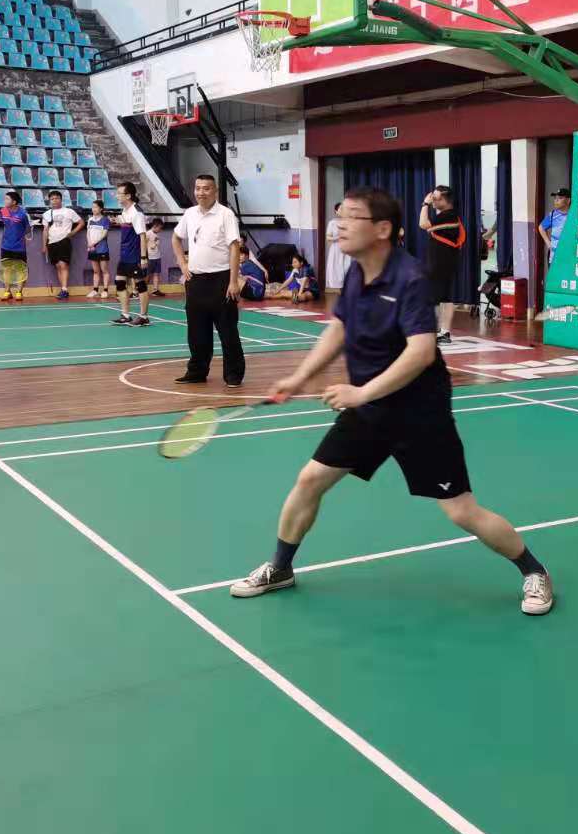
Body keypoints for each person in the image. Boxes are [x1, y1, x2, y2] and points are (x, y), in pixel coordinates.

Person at [227, 185, 554, 616]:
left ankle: (534, 571)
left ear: (382, 229)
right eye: (340, 215)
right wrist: (301, 376)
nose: (340, 224)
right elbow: (340, 327)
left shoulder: (410, 279)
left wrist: (359, 392)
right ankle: (280, 567)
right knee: (310, 480)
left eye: (352, 216)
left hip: (419, 412)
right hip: (370, 407)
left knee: (461, 511)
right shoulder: (357, 271)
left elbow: (421, 353)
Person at [171, 174, 245, 387]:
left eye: (206, 188)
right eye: (198, 188)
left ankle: (234, 374)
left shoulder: (226, 214)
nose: (201, 192)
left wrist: (233, 281)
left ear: (215, 191)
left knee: (228, 331)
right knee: (196, 331)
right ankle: (197, 371)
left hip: (221, 280)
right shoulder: (190, 213)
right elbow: (176, 238)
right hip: (195, 281)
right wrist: (183, 264)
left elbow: (234, 247)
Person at [419, 184, 465, 345]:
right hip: (439, 261)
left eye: (436, 198)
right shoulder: (445, 216)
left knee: (443, 296)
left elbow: (423, 223)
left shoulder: (448, 215)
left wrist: (425, 204)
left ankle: (444, 331)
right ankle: (440, 330)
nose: (433, 201)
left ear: (445, 200)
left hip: (443, 262)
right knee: (440, 296)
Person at [111, 182, 151, 326]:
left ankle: (144, 317)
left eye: (119, 193)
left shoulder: (137, 212)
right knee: (120, 282)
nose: (116, 196)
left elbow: (142, 235)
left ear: (128, 195)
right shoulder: (125, 210)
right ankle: (125, 315)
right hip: (125, 254)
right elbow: (128, 226)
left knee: (140, 285)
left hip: (135, 255)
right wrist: (117, 221)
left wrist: (143, 257)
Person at [41, 189, 83, 300]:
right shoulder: (46, 214)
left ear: (61, 199)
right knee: (58, 266)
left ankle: (64, 289)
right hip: (52, 242)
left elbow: (81, 223)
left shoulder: (69, 211)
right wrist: (44, 245)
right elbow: (45, 230)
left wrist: (72, 233)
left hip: (64, 241)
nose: (54, 200)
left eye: (57, 198)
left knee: (63, 265)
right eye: (52, 199)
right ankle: (63, 289)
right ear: (49, 201)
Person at [0, 190, 31, 302]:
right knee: (6, 269)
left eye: (7, 199)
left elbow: (27, 229)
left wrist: (19, 237)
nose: (4, 201)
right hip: (6, 246)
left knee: (20, 269)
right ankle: (7, 291)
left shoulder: (22, 214)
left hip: (19, 247)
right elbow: (5, 223)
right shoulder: (3, 211)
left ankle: (19, 292)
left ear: (14, 202)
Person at [85, 198, 112, 298]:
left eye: (96, 207)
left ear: (101, 209)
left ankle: (105, 290)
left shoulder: (105, 220)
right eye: (92, 207)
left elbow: (104, 234)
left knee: (104, 270)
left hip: (102, 249)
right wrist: (89, 243)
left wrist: (93, 243)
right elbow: (88, 233)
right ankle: (95, 290)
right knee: (96, 271)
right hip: (92, 249)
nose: (93, 209)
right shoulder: (90, 220)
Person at [538, 187, 570, 264]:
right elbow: (541, 227)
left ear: (568, 200)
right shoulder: (553, 215)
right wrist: (548, 243)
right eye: (555, 198)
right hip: (554, 257)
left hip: (569, 257)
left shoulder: (574, 215)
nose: (556, 200)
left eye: (560, 198)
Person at [324, 201, 351, 290]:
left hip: (347, 249)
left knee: (347, 269)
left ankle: (347, 292)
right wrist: (338, 237)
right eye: (341, 208)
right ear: (336, 211)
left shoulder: (349, 222)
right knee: (337, 272)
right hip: (336, 249)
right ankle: (341, 293)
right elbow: (328, 238)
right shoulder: (332, 223)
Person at [145, 216, 166, 296]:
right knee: (148, 274)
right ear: (155, 226)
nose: (160, 230)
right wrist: (145, 256)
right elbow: (143, 245)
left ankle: (155, 290)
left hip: (157, 257)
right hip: (150, 257)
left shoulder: (157, 235)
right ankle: (142, 290)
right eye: (160, 228)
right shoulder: (148, 234)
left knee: (156, 273)